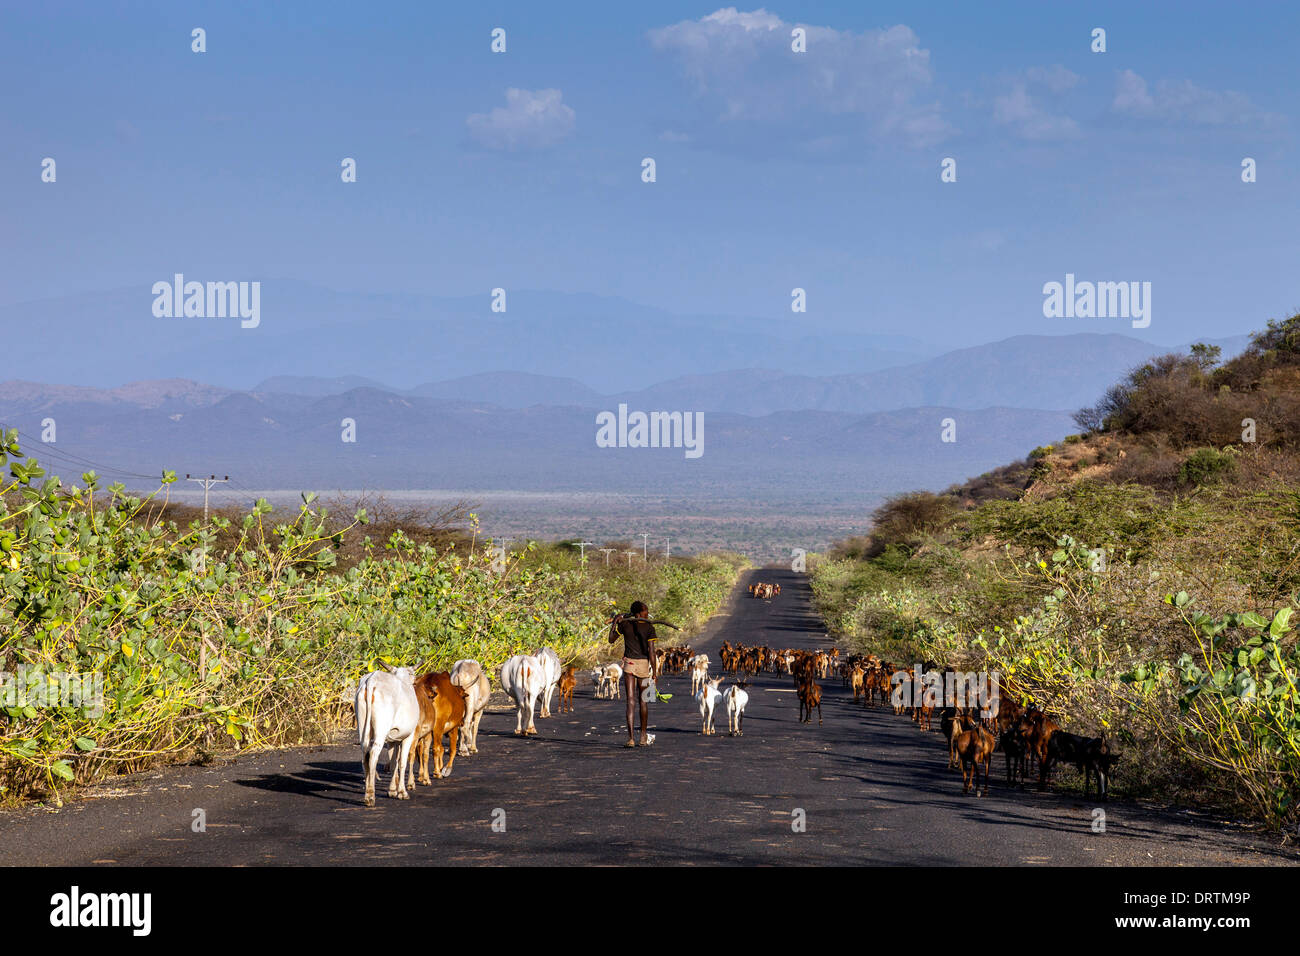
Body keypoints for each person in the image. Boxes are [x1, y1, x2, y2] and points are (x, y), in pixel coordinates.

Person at [609, 600, 658, 747]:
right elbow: (651, 651)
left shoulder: (625, 624)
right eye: (645, 612)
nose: (647, 614)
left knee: (630, 701)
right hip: (644, 667)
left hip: (629, 665)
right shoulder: (649, 627)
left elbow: (611, 639)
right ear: (638, 613)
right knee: (644, 701)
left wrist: (615, 623)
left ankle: (631, 739)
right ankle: (642, 737)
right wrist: (654, 673)